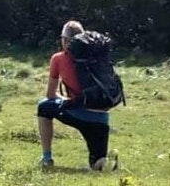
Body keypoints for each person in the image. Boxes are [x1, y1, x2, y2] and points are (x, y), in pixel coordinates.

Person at [37, 20, 113, 171]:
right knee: (97, 166)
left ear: (64, 40)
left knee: (43, 106)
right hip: (101, 118)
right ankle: (106, 161)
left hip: (78, 114)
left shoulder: (58, 58)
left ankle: (46, 158)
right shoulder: (97, 56)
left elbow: (50, 95)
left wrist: (68, 100)